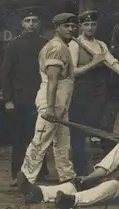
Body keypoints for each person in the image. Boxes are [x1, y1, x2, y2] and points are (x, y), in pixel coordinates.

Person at [17, 105, 119, 209]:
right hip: (117, 177)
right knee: (79, 183)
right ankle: (39, 192)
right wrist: (88, 178)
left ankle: (72, 200)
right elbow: (107, 166)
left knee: (109, 186)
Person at [18, 13, 78, 186]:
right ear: (57, 28)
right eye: (66, 26)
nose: (71, 29)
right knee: (41, 140)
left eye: (74, 26)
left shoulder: (61, 46)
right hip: (51, 101)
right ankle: (26, 178)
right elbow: (53, 81)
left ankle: (67, 177)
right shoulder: (56, 47)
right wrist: (50, 108)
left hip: (61, 102)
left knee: (62, 141)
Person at [68, 10, 119, 176]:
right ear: (81, 27)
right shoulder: (74, 44)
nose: (90, 28)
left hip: (99, 92)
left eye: (93, 24)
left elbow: (111, 61)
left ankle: (98, 169)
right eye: (86, 24)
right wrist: (93, 64)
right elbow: (72, 72)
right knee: (79, 131)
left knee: (97, 130)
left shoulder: (101, 44)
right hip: (81, 93)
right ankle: (79, 169)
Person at [0, 6, 50, 187]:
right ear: (22, 23)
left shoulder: (46, 44)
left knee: (39, 135)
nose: (31, 24)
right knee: (21, 137)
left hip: (41, 97)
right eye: (27, 21)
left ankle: (40, 172)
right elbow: (6, 73)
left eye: (34, 21)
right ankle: (18, 174)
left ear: (39, 23)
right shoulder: (14, 44)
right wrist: (8, 99)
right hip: (21, 99)